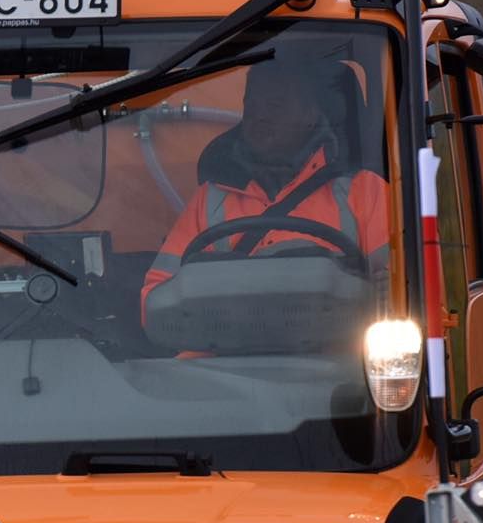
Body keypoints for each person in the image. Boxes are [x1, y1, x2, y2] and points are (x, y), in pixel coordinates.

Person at [141, 55, 391, 330]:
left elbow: (400, 287)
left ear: (311, 115)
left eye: (275, 105)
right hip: (221, 355)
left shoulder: (363, 191)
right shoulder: (209, 199)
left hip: (342, 354)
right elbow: (156, 299)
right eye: (252, 105)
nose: (259, 116)